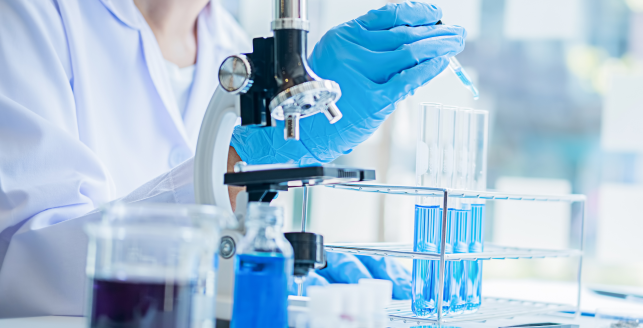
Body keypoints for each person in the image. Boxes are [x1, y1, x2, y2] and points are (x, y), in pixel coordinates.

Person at [0, 0, 465, 318]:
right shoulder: (28, 18)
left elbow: (232, 244)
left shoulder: (235, 45)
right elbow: (25, 268)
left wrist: (288, 270)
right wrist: (239, 155)